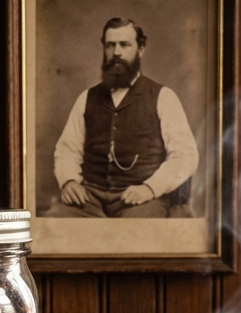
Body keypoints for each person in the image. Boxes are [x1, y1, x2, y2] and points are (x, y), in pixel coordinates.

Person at [46, 17, 199, 218]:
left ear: (141, 49)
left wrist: (150, 188)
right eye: (110, 45)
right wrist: (69, 181)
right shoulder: (87, 98)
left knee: (134, 232)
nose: (116, 52)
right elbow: (67, 149)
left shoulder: (163, 97)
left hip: (141, 199)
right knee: (53, 223)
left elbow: (185, 156)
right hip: (90, 198)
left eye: (125, 45)